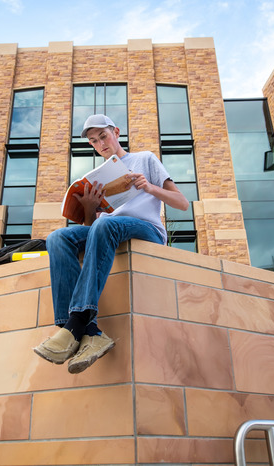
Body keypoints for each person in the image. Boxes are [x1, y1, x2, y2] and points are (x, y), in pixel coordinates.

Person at [34, 114, 190, 373]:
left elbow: (182, 203)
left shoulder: (145, 159)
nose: (101, 144)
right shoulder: (98, 178)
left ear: (116, 132)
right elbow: (92, 232)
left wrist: (149, 188)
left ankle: (76, 321)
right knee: (57, 238)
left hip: (147, 230)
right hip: (112, 229)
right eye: (94, 141)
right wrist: (89, 208)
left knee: (106, 224)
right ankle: (88, 333)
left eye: (103, 136)